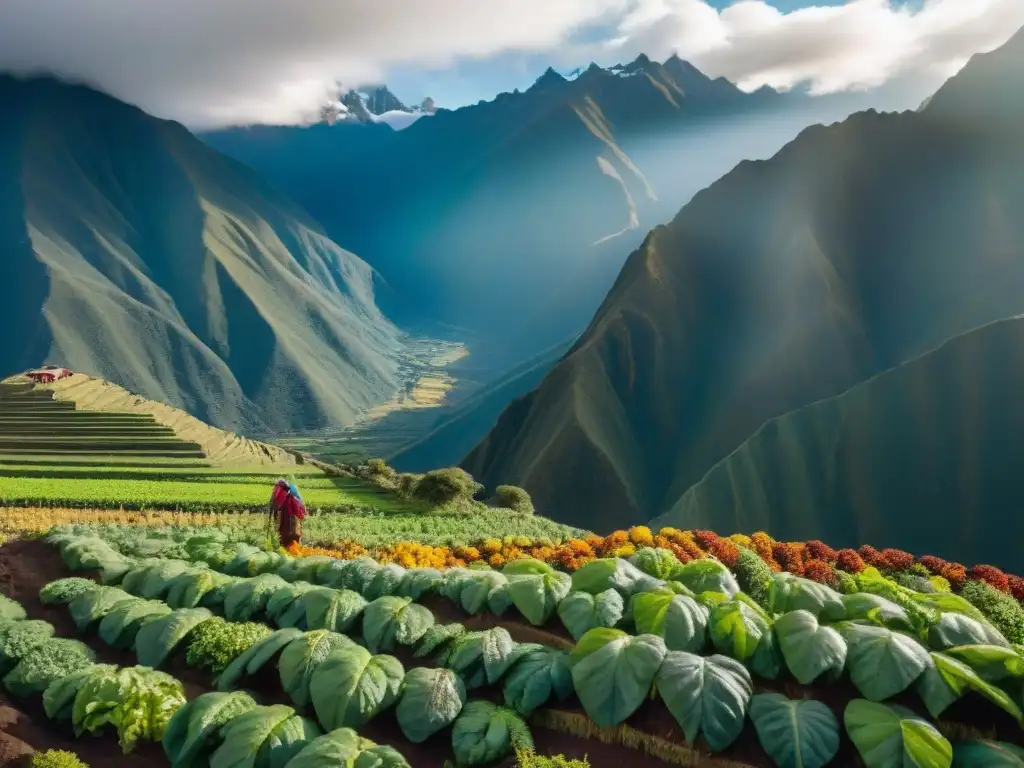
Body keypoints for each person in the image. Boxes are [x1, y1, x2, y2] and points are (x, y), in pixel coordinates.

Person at [269, 478, 306, 548]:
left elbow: (274, 507)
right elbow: (301, 509)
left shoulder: (279, 493)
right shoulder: (293, 494)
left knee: (285, 538)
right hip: (292, 523)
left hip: (286, 523)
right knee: (293, 538)